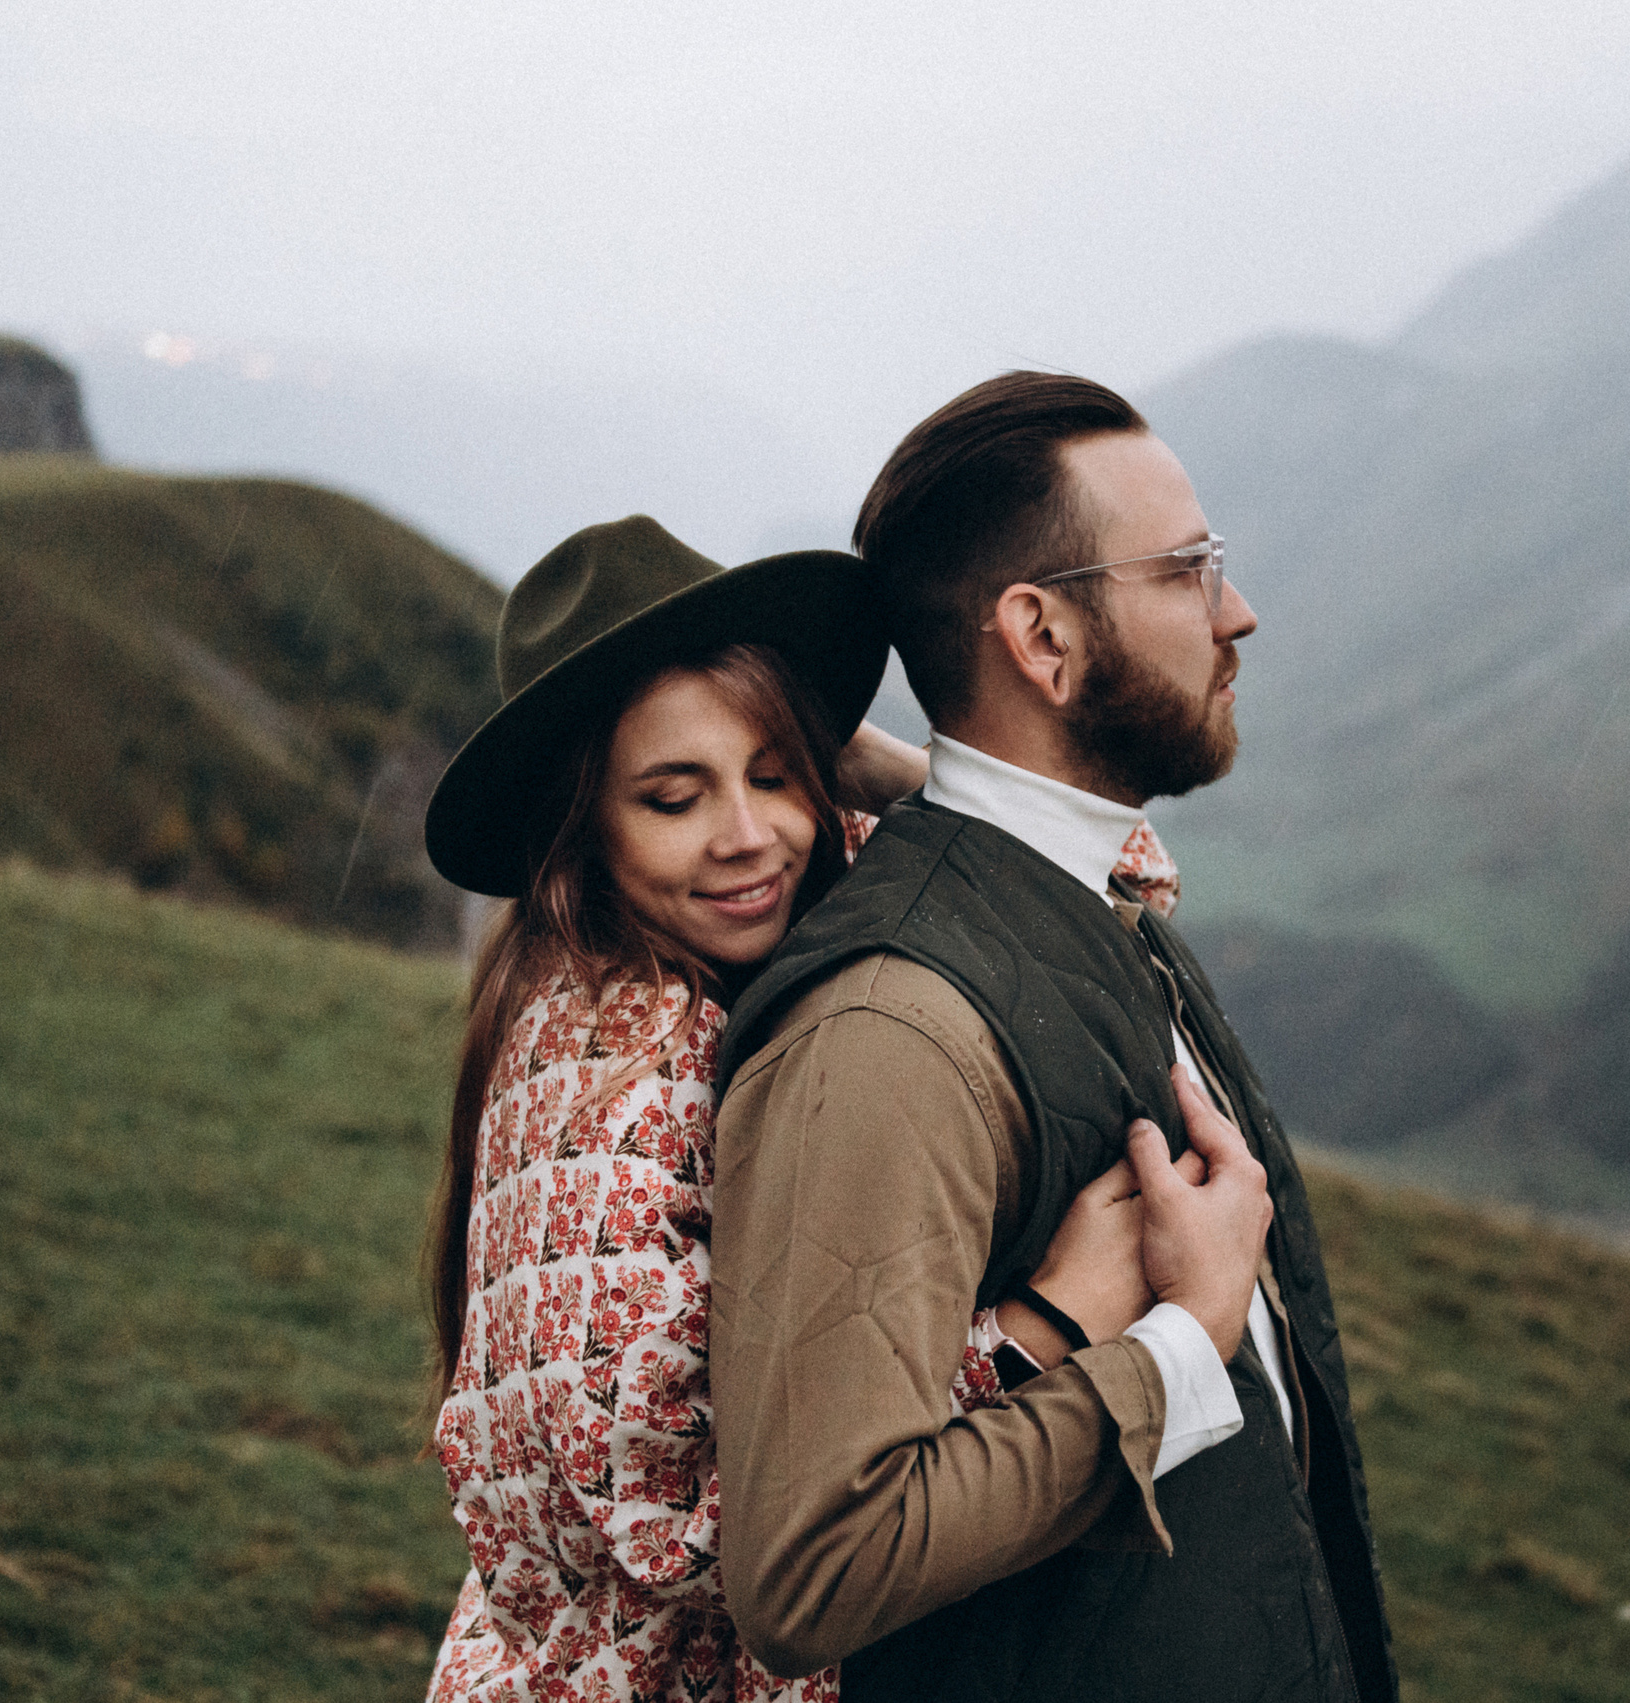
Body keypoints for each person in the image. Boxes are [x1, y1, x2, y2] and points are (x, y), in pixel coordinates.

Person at [416, 516, 1236, 1700]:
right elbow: (683, 1515)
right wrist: (1044, 1325)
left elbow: (1117, 870)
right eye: (671, 796)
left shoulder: (789, 877)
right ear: (579, 829)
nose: (746, 837)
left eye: (770, 773)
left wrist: (879, 762)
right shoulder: (604, 1073)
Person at [711, 373, 1396, 1702]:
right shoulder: (887, 1025)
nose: (1236, 612)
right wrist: (1178, 1344)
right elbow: (813, 1567)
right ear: (1043, 634)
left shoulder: (1110, 903)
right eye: (1189, 570)